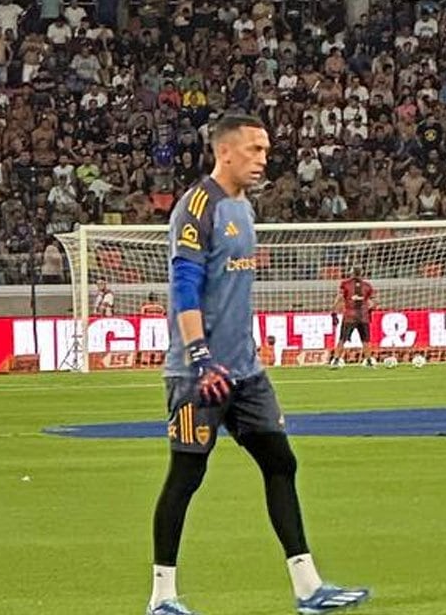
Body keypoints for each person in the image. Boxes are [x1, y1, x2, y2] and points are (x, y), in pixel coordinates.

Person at [149, 114, 368, 615]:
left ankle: (309, 588)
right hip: (197, 374)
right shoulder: (197, 207)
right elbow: (184, 286)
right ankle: (162, 598)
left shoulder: (244, 208)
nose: (263, 159)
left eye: (266, 150)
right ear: (224, 152)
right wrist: (201, 357)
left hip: (245, 372)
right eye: (254, 150)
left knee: (281, 463)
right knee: (185, 476)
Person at [330, 268, 376, 367]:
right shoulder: (367, 286)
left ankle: (336, 360)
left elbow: (340, 298)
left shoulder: (345, 284)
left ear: (351, 273)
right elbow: (372, 303)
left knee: (342, 339)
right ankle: (368, 361)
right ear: (362, 273)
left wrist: (334, 311)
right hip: (363, 317)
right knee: (365, 340)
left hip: (349, 316)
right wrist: (369, 310)